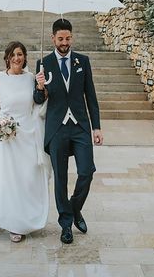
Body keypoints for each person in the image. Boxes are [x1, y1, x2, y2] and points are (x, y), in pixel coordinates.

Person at [34, 18, 103, 244]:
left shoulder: (83, 61)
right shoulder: (43, 64)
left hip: (80, 127)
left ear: (72, 37)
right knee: (61, 179)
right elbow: (37, 100)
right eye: (60, 38)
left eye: (68, 38)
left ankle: (74, 208)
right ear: (53, 38)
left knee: (87, 171)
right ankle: (66, 225)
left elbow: (90, 96)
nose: (65, 42)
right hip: (57, 129)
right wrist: (40, 86)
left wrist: (96, 127)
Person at [0, 41, 50, 242]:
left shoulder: (30, 78)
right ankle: (13, 224)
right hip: (6, 138)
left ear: (25, 57)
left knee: (27, 178)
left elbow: (38, 101)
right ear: (7, 58)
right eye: (13, 54)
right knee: (8, 179)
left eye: (20, 54)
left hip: (27, 135)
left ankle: (27, 216)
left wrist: (41, 87)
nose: (17, 58)